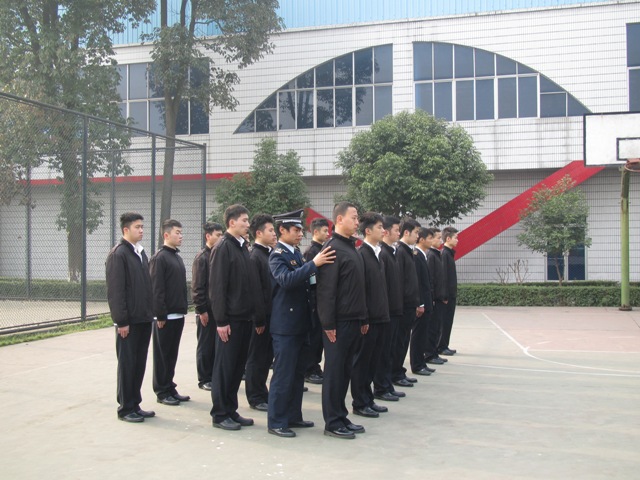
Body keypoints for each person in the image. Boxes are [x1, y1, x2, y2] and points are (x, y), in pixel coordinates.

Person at [267, 209, 335, 438]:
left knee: (297, 374)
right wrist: (313, 264)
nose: (300, 234)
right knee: (283, 375)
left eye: (300, 230)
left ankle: (293, 416)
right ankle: (277, 421)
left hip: (300, 323)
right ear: (282, 230)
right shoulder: (277, 255)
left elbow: (308, 282)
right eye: (295, 230)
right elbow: (286, 280)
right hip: (285, 326)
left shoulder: (295, 253)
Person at [209, 204, 263, 431]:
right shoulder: (223, 248)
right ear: (231, 222)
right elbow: (217, 287)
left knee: (237, 367)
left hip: (244, 318)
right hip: (230, 320)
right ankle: (220, 414)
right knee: (225, 368)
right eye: (244, 220)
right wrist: (221, 321)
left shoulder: (242, 247)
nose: (248, 224)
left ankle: (231, 410)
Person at [316, 202, 368, 440]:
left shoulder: (351, 247)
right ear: (339, 219)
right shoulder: (332, 249)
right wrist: (328, 324)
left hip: (354, 320)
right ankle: (332, 422)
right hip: (338, 323)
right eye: (354, 217)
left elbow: (358, 288)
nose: (357, 222)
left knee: (345, 371)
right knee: (335, 372)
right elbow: (326, 291)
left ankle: (341, 415)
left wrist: (363, 317)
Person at [106, 212, 154, 423]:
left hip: (143, 319)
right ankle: (125, 408)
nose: (141, 230)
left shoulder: (140, 253)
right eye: (137, 227)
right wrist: (122, 321)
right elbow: (116, 292)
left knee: (139, 364)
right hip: (129, 322)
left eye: (142, 227)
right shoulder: (119, 255)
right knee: (127, 365)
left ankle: (135, 404)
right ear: (126, 229)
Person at [351, 212, 390, 419]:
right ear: (367, 231)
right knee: (362, 362)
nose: (383, 230)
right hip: (368, 319)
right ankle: (359, 402)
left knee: (373, 360)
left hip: (380, 316)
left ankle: (368, 399)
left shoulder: (378, 253)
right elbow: (361, 290)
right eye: (379, 227)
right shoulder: (362, 255)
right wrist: (364, 318)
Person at [149, 219, 190, 406]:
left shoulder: (176, 257)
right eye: (177, 233)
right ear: (166, 235)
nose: (181, 236)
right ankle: (162, 391)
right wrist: (160, 314)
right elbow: (157, 288)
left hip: (177, 314)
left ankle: (169, 386)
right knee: (162, 355)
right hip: (165, 317)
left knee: (171, 354)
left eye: (181, 232)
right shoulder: (159, 258)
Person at [245, 214, 277, 412]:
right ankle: (255, 396)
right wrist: (259, 319)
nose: (274, 234)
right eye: (270, 230)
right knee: (257, 358)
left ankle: (262, 392)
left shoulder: (268, 254)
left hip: (271, 315)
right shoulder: (255, 256)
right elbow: (255, 292)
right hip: (260, 318)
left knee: (266, 358)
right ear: (258, 233)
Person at [374, 216, 406, 402]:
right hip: (387, 311)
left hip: (395, 310)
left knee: (390, 349)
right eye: (396, 230)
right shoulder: (383, 254)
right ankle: (381, 387)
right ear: (385, 232)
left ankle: (387, 385)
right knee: (384, 352)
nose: (398, 234)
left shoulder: (391, 252)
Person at [191, 222, 223, 391]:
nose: (221, 238)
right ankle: (204, 378)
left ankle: (214, 376)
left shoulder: (218, 255)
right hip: (206, 311)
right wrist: (201, 310)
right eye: (218, 235)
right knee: (205, 345)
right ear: (208, 236)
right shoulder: (202, 258)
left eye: (221, 235)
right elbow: (197, 287)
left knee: (216, 345)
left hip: (217, 310)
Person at [391, 218, 421, 388]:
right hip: (403, 305)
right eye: (416, 232)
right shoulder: (400, 251)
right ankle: (395, 373)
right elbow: (400, 281)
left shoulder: (408, 251)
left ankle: (399, 371)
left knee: (403, 341)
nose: (417, 236)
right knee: (399, 342)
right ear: (407, 232)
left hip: (409, 304)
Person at [303, 217, 330, 385]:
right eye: (325, 231)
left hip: (323, 299)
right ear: (315, 232)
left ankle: (315, 366)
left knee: (319, 338)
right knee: (313, 337)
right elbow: (310, 277)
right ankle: (309, 369)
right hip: (315, 300)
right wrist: (314, 295)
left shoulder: (324, 249)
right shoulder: (311, 252)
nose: (328, 234)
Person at [410, 228, 436, 376]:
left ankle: (421, 362)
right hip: (421, 304)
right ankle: (417, 364)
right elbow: (417, 283)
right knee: (418, 335)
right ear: (422, 240)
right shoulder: (416, 256)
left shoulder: (423, 255)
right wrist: (419, 303)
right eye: (430, 238)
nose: (432, 241)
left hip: (426, 302)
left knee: (423, 334)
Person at [425, 228, 447, 365]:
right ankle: (429, 353)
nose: (440, 241)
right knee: (432, 328)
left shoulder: (436, 254)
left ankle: (434, 352)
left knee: (437, 327)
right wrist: (432, 297)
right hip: (434, 299)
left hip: (439, 298)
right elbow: (431, 279)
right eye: (438, 238)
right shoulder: (431, 255)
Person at [439, 227, 459, 357]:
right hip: (447, 296)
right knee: (444, 321)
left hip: (451, 295)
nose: (457, 240)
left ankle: (445, 345)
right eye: (456, 237)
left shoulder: (449, 254)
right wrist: (444, 295)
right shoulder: (445, 254)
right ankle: (441, 346)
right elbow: (444, 277)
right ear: (448, 238)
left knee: (448, 321)